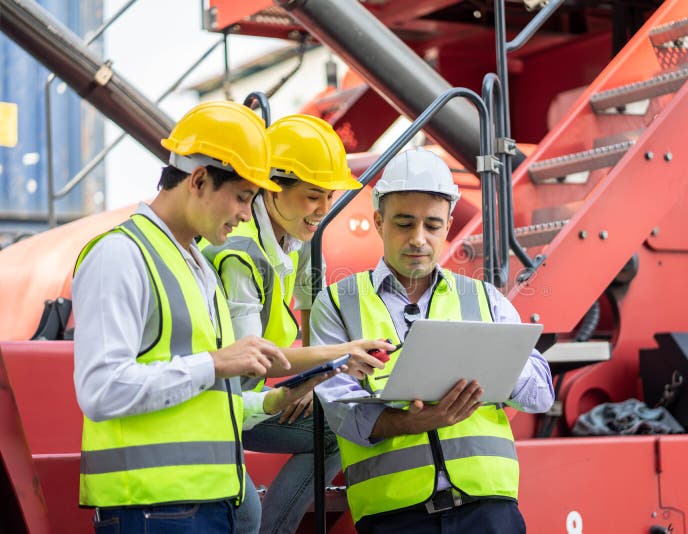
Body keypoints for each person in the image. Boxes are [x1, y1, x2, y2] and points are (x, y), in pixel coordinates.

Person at [72, 101, 342, 533]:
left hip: (208, 501)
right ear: (198, 179)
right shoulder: (120, 255)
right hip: (151, 509)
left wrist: (274, 400)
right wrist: (216, 363)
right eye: (241, 197)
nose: (244, 213)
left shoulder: (197, 270)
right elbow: (101, 390)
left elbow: (212, 401)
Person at [311, 147, 555, 533]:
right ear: (378, 220)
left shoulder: (485, 299)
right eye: (404, 224)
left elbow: (541, 393)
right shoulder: (337, 304)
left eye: (432, 225)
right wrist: (417, 420)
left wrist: (492, 359)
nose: (418, 239)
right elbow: (340, 410)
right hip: (395, 516)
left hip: (488, 511)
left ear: (449, 224)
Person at [202, 114, 391, 534]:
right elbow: (253, 362)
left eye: (329, 197)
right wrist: (335, 360)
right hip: (218, 402)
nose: (324, 211)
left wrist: (314, 379)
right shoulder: (240, 254)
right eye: (312, 197)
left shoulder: (299, 235)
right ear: (271, 188)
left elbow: (310, 307)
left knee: (337, 424)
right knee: (246, 515)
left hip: (247, 398)